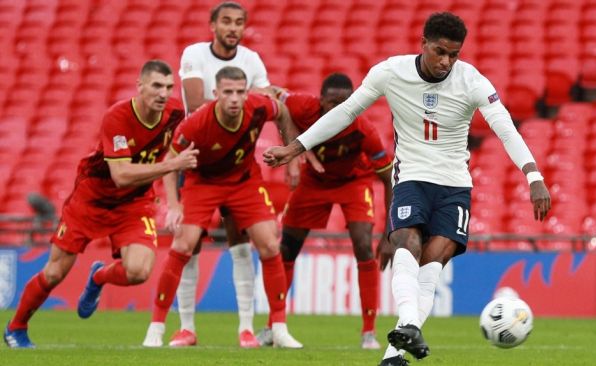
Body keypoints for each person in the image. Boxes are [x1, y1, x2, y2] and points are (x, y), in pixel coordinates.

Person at [263, 12, 551, 365]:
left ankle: (392, 354)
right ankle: (410, 325)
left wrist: (533, 177)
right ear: (423, 43)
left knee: (432, 264)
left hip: (454, 185)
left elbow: (505, 129)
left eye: (454, 55)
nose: (446, 61)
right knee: (406, 241)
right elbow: (347, 112)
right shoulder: (390, 72)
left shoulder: (472, 81)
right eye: (440, 52)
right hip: (412, 176)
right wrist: (296, 147)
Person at [3, 60, 199, 348]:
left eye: (169, 87)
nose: (163, 93)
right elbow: (120, 175)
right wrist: (173, 164)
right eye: (156, 86)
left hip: (134, 202)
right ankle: (16, 327)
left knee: (139, 271)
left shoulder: (174, 113)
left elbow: (202, 119)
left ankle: (99, 276)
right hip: (91, 199)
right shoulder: (118, 117)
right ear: (140, 85)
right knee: (55, 271)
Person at [142, 66, 303, 348]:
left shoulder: (258, 106)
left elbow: (283, 111)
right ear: (215, 94)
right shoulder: (196, 124)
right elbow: (171, 161)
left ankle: (277, 326)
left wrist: (291, 154)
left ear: (246, 92)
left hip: (244, 181)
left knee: (269, 245)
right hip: (202, 182)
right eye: (227, 92)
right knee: (183, 245)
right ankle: (158, 327)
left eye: (240, 92)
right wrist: (174, 204)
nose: (234, 98)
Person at [256, 73, 393, 350]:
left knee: (364, 244)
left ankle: (369, 332)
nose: (338, 110)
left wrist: (389, 233)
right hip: (313, 183)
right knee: (287, 249)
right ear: (320, 102)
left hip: (353, 182)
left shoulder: (364, 130)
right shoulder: (302, 106)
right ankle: (274, 326)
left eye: (345, 103)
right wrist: (296, 149)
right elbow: (269, 93)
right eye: (332, 103)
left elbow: (388, 179)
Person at [173, 1, 277, 348]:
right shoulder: (194, 54)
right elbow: (194, 104)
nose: (233, 28)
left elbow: (267, 100)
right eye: (227, 22)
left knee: (241, 243)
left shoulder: (251, 59)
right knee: (190, 246)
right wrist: (242, 100)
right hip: (196, 158)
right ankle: (186, 327)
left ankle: (245, 328)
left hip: (237, 162)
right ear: (212, 25)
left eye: (239, 23)